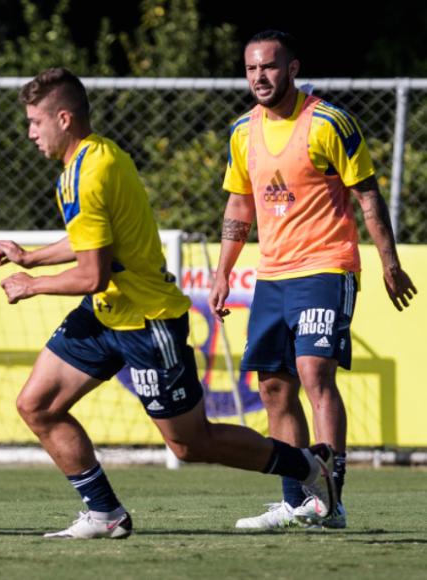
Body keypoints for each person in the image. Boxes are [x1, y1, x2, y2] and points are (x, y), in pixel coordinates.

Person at [0, 67, 338, 540]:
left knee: (192, 445)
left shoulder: (87, 175)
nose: (29, 132)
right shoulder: (96, 157)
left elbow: (91, 273)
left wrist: (31, 284)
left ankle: (309, 466)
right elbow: (92, 242)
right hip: (107, 313)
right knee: (37, 405)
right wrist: (30, 257)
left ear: (64, 119)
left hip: (148, 323)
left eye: (35, 121)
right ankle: (105, 513)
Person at [210, 30, 416, 530]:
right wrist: (223, 270)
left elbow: (367, 196)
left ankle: (333, 499)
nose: (260, 76)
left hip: (326, 267)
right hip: (273, 275)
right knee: (275, 389)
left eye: (270, 66)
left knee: (313, 373)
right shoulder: (242, 131)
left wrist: (389, 263)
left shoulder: (329, 122)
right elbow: (239, 204)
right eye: (252, 68)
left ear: (293, 68)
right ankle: (299, 499)